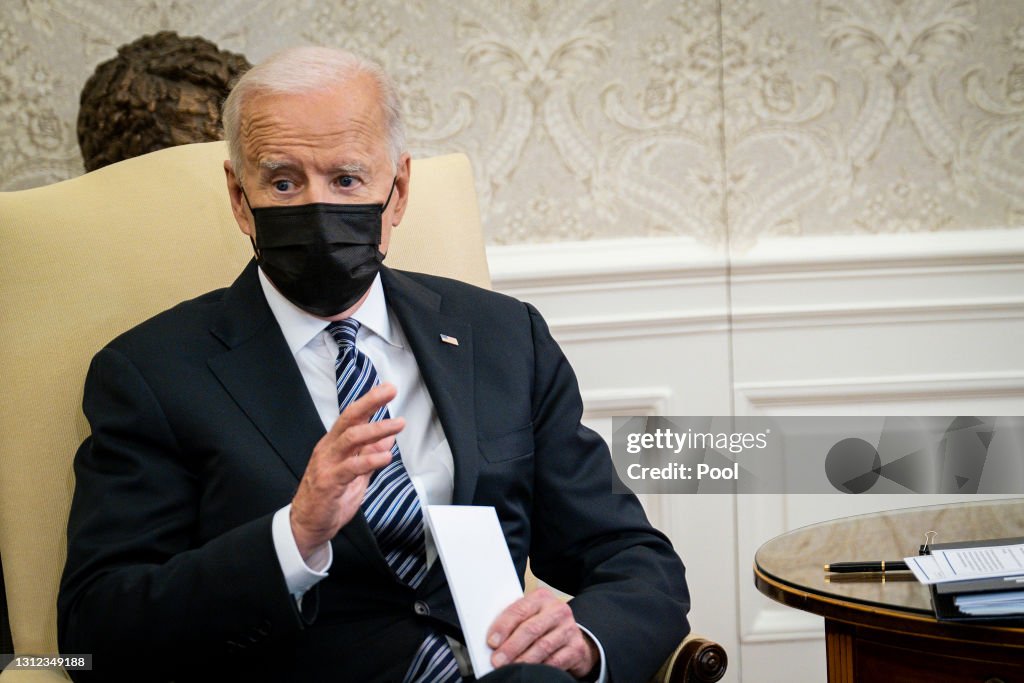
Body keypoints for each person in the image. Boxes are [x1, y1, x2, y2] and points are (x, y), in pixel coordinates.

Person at [58, 46, 690, 682]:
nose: (317, 207)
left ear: (399, 191)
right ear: (238, 195)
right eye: (283, 182)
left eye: (346, 180)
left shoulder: (503, 338)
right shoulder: (153, 372)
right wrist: (295, 535)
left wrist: (584, 638)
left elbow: (629, 554)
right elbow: (94, 633)